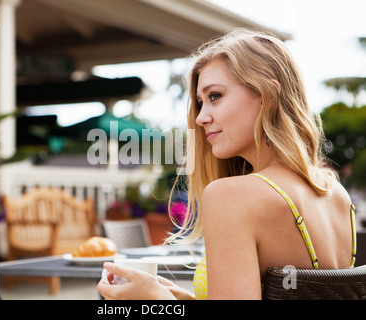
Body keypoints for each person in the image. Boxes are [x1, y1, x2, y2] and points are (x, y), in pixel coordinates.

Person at [96, 28, 357, 300]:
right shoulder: (336, 195)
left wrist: (156, 300)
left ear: (267, 96)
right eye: (200, 102)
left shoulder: (231, 196)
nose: (200, 118)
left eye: (215, 96)